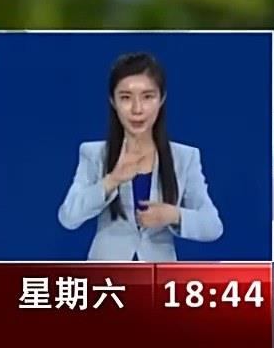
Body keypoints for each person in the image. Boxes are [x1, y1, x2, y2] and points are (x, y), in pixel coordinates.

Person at [57, 52, 224, 260]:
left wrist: (173, 215)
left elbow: (213, 226)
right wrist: (112, 180)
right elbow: (68, 217)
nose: (137, 109)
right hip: (108, 276)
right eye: (126, 97)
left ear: (162, 99)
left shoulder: (185, 157)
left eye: (147, 97)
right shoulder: (94, 154)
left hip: (158, 276)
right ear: (112, 101)